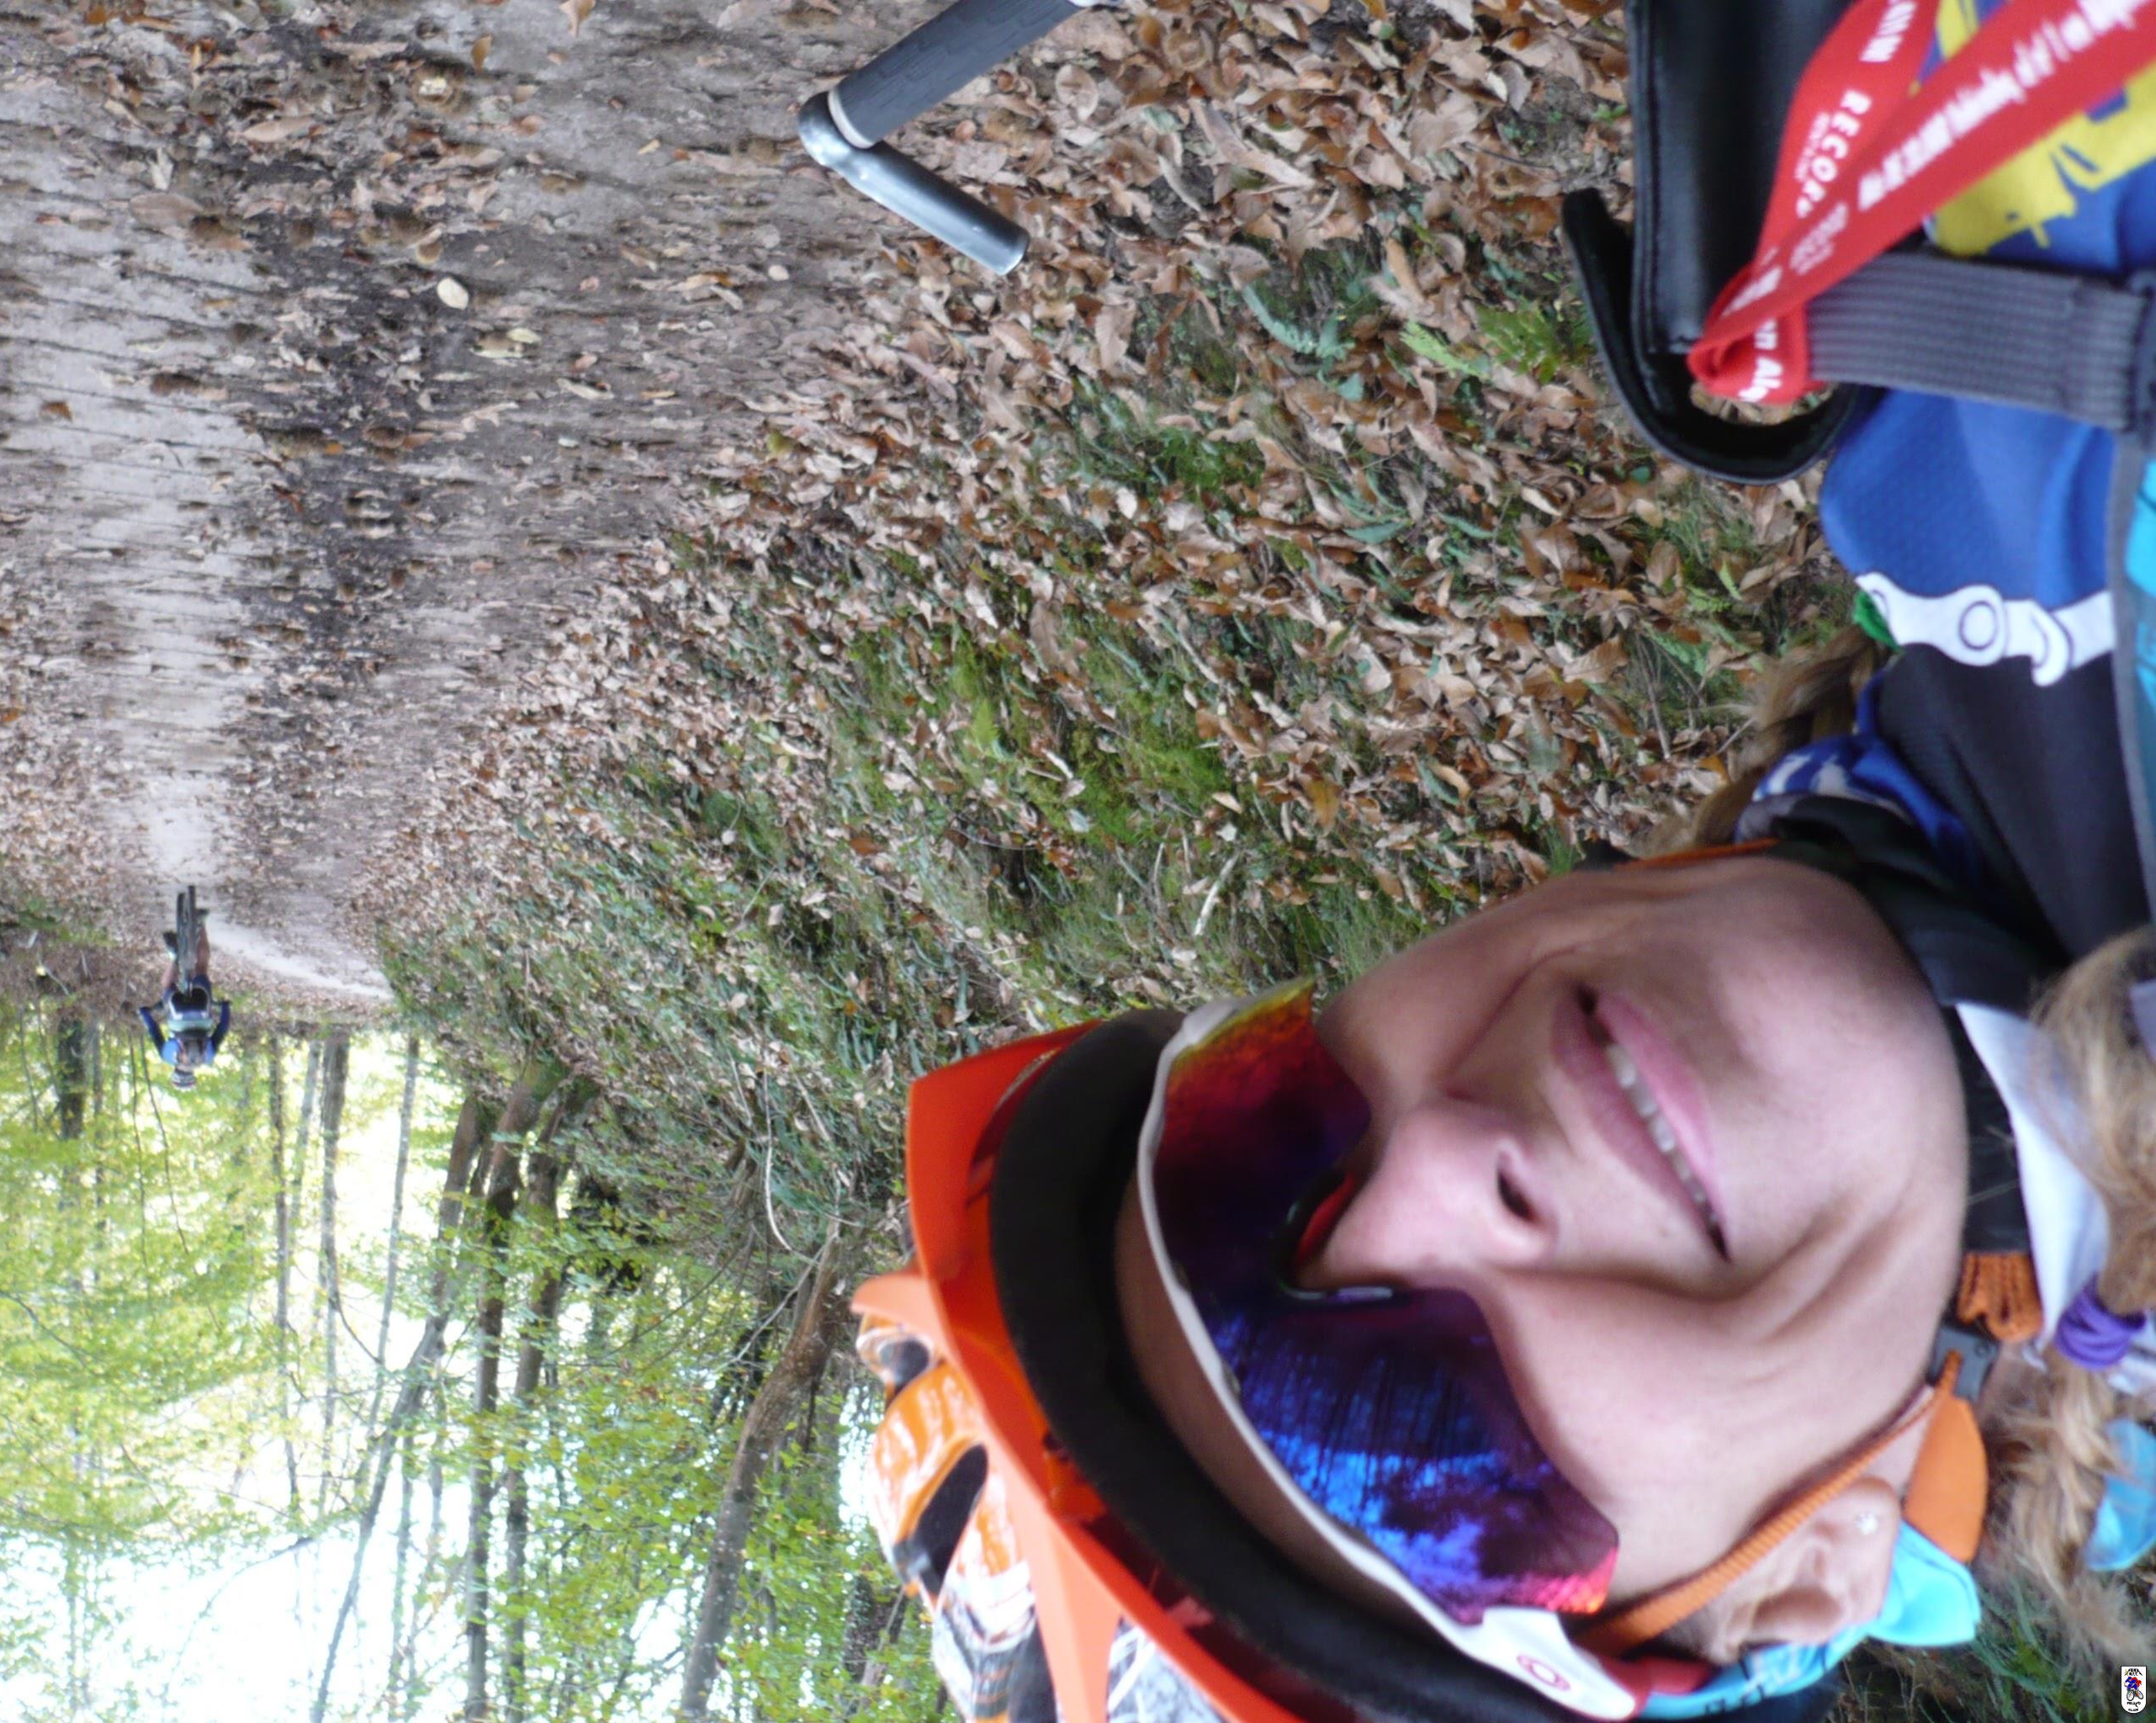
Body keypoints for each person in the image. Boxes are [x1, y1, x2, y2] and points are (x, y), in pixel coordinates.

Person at [850, 1, 2156, 1719]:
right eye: (1410, 1440)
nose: (1437, 1164)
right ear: (1794, 1577)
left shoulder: (1861, 340)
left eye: (1258, 1142)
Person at [138, 911, 230, 1089]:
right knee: (167, 985)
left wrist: (226, 1007)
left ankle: (201, 924)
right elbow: (153, 1030)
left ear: (193, 1074)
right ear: (175, 1072)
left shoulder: (207, 1057)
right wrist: (145, 1013)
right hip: (177, 1012)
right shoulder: (166, 1057)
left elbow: (223, 1028)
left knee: (201, 968)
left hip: (202, 1010)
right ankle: (174, 958)